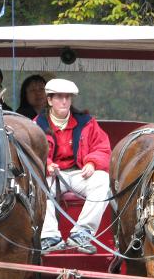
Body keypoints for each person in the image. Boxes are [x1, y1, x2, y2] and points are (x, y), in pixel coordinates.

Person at [34, 79, 111, 254]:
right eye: (59, 97)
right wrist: (46, 165)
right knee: (37, 184)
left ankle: (81, 234)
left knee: (102, 180)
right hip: (51, 176)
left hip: (78, 174)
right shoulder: (36, 124)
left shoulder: (87, 122)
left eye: (67, 97)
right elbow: (30, 153)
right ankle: (49, 236)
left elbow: (103, 147)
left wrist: (92, 162)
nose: (64, 101)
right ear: (49, 100)